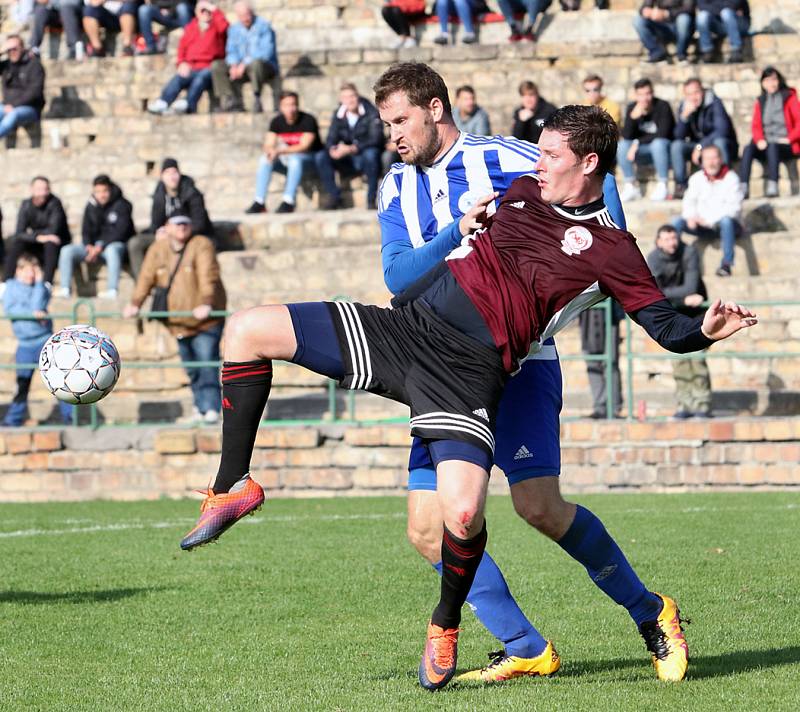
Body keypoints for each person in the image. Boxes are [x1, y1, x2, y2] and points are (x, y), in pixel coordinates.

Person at [178, 103, 756, 692]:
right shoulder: (521, 189)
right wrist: (464, 223)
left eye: (552, 153)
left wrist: (703, 330)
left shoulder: (610, 247)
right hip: (404, 334)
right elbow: (410, 268)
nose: (538, 161)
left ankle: (631, 613)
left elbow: (662, 324)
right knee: (248, 331)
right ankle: (233, 485)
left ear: (588, 163)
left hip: (474, 372)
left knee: (505, 510)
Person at [375, 62, 640, 684]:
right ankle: (523, 644)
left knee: (540, 509)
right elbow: (396, 277)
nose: (392, 135)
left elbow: (593, 179)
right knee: (428, 528)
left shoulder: (508, 156)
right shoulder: (393, 187)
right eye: (386, 124)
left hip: (520, 360)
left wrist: (606, 253)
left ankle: (649, 611)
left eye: (400, 120)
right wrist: (455, 233)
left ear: (436, 108)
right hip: (439, 365)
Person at [123, 213, 226, 424]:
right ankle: (200, 406)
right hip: (178, 322)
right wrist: (135, 303)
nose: (182, 227)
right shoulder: (158, 249)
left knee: (206, 364)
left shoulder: (201, 244)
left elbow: (209, 275)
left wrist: (206, 302)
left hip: (205, 320)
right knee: (191, 368)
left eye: (186, 223)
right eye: (177, 224)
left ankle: (212, 408)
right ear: (167, 227)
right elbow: (146, 277)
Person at [647, 224, 711, 417]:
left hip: (696, 314)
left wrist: (672, 296)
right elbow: (655, 292)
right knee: (679, 361)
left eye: (674, 238)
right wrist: (682, 299)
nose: (672, 243)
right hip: (673, 316)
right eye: (666, 239)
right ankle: (684, 404)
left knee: (698, 360)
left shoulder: (689, 252)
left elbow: (691, 286)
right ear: (658, 242)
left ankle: (702, 404)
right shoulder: (654, 258)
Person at [3, 253, 73, 426]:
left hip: (45, 341)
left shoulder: (41, 287)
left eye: (34, 270)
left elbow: (37, 306)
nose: (31, 275)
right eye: (27, 270)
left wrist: (40, 283)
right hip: (25, 345)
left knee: (59, 382)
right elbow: (12, 310)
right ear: (18, 271)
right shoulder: (9, 287)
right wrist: (32, 315)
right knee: (22, 384)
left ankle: (71, 418)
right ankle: (13, 419)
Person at [128, 158, 213, 277]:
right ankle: (143, 283)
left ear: (179, 174)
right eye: (167, 173)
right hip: (168, 235)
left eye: (174, 172)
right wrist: (160, 232)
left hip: (190, 235)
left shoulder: (192, 193)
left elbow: (200, 224)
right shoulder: (159, 194)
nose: (172, 177)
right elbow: (155, 224)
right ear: (162, 176)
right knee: (135, 243)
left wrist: (177, 233)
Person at [56, 175, 134, 300]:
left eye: (104, 191)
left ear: (110, 190)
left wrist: (100, 246)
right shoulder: (91, 206)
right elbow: (85, 231)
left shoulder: (122, 205)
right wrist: (88, 246)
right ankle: (65, 289)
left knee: (112, 250)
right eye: (97, 192)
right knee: (67, 250)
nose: (101, 195)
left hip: (114, 245)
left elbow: (120, 232)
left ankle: (112, 290)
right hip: (93, 248)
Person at [244, 91, 322, 215]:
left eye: (293, 104)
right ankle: (259, 201)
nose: (290, 108)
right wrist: (271, 152)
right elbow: (268, 144)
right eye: (286, 105)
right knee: (265, 159)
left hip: (309, 161)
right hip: (287, 161)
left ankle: (288, 201)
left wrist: (279, 151)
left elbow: (304, 146)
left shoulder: (308, 120)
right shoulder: (277, 122)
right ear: (280, 106)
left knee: (295, 159)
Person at [672, 144, 743, 277]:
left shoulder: (732, 178)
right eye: (707, 159)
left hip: (727, 226)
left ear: (721, 159)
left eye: (714, 158)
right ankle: (674, 263)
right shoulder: (696, 178)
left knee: (726, 221)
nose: (711, 162)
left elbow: (734, 209)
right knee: (676, 222)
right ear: (702, 161)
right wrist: (691, 217)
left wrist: (708, 221)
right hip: (702, 225)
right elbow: (688, 202)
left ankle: (726, 264)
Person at [147, 0, 228, 115]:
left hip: (209, 67)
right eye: (202, 10)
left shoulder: (217, 26)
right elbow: (182, 48)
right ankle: (163, 102)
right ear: (196, 12)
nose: (205, 13)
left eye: (207, 11)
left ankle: (188, 104)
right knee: (178, 79)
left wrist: (212, 8)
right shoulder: (191, 27)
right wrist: (181, 63)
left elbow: (225, 27)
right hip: (192, 67)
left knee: (201, 78)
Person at [315, 83, 384, 211]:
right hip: (346, 160)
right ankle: (335, 197)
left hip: (364, 157)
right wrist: (333, 150)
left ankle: (371, 200)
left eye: (352, 96)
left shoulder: (371, 112)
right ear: (341, 100)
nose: (350, 100)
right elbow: (331, 138)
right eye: (345, 97)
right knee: (321, 156)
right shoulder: (338, 115)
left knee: (371, 153)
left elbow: (376, 139)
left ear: (357, 96)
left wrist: (352, 148)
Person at [738, 67, 800, 199]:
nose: (771, 83)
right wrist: (759, 139)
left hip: (785, 144)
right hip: (766, 143)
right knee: (748, 148)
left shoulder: (789, 97)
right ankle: (743, 186)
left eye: (773, 79)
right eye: (766, 80)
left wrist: (790, 138)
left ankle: (773, 184)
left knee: (773, 146)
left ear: (779, 80)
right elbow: (755, 125)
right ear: (762, 83)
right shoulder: (761, 101)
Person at [671, 77, 738, 199]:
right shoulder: (685, 106)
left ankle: (724, 181)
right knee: (677, 146)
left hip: (720, 144)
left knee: (720, 142)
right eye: (689, 94)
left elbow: (722, 130)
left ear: (702, 91)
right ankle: (681, 185)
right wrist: (684, 117)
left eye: (696, 92)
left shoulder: (714, 102)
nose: (694, 97)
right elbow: (678, 136)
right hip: (697, 146)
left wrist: (701, 146)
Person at [211, 0, 278, 114]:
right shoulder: (234, 29)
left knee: (256, 63)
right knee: (217, 66)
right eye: (242, 16)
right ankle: (230, 99)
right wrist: (233, 65)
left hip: (264, 66)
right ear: (237, 16)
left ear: (252, 12)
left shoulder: (264, 26)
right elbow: (231, 50)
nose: (245, 18)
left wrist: (244, 63)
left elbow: (266, 52)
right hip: (242, 68)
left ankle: (257, 97)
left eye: (247, 14)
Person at [3, 176, 70, 288]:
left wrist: (35, 235)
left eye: (46, 189)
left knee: (51, 242)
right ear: (32, 190)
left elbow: (53, 230)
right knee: (17, 244)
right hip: (37, 244)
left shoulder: (55, 203)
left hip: (54, 247)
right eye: (39, 189)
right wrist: (38, 237)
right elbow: (19, 233)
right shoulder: (26, 204)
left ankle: (47, 284)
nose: (43, 193)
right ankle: (5, 283)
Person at [618, 77, 675, 202]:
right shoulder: (632, 108)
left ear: (652, 93)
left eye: (648, 94)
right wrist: (633, 118)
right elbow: (626, 136)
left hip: (662, 151)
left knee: (658, 144)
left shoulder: (662, 106)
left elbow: (663, 133)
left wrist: (637, 142)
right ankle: (630, 186)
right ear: (636, 95)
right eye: (641, 95)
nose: (645, 98)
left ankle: (663, 184)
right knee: (622, 145)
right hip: (640, 152)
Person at [579, 301, 623, 418]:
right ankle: (600, 407)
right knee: (592, 362)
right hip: (587, 314)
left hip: (610, 313)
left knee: (611, 362)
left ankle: (614, 407)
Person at [0, 34, 45, 140]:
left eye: (15, 48)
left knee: (12, 115)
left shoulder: (34, 65)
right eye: (9, 49)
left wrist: (14, 105)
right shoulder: (6, 65)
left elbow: (35, 92)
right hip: (7, 106)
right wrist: (1, 50)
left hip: (30, 108)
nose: (12, 52)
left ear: (22, 48)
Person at [633, 0, 695, 64]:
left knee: (684, 19)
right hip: (662, 26)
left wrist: (666, 13)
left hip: (680, 27)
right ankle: (657, 53)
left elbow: (689, 8)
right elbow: (643, 7)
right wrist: (647, 11)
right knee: (638, 21)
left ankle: (681, 55)